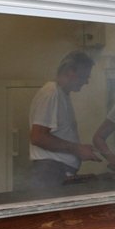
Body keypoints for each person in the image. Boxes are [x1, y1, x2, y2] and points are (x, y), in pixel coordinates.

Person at [25, 51, 101, 190]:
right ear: (70, 72)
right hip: (49, 172)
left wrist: (80, 149)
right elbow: (38, 137)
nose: (86, 81)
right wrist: (77, 149)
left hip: (55, 172)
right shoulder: (51, 92)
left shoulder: (61, 94)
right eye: (84, 76)